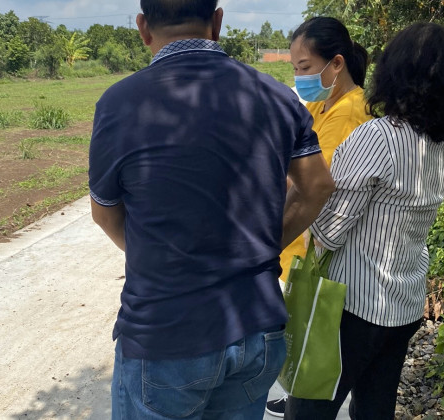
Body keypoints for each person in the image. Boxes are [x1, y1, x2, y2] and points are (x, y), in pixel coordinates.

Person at [88, 1, 335, 418]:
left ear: (143, 27)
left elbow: (105, 213)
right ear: (217, 22)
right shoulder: (275, 96)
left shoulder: (120, 104)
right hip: (256, 327)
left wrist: (163, 259)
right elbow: (317, 186)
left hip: (166, 335)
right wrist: (262, 248)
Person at [284, 22, 444, 419]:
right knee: (373, 409)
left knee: (309, 411)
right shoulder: (439, 143)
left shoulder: (378, 136)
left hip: (351, 308)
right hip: (403, 302)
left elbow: (328, 231)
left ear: (393, 71)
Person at [265, 16, 372, 418]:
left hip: (316, 243)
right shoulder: (319, 104)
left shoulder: (350, 112)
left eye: (305, 67)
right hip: (300, 241)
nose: (300, 77)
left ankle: (303, 398)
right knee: (296, 329)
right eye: (295, 68)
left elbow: (313, 184)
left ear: (336, 63)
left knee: (308, 332)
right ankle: (294, 391)